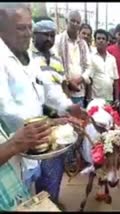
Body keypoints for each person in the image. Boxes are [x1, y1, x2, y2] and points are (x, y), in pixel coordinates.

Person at [0, 3, 84, 207]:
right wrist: (50, 123)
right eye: (21, 28)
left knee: (30, 197)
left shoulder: (28, 56)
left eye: (30, 27)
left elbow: (46, 88)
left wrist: (68, 107)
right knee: (16, 199)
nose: (28, 33)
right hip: (11, 150)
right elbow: (6, 108)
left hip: (34, 146)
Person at [31, 18, 82, 207]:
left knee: (56, 168)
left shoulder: (56, 59)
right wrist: (56, 115)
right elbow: (37, 99)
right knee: (40, 171)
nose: (49, 39)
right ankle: (42, 204)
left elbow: (60, 89)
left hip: (59, 121)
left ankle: (52, 202)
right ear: (34, 35)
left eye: (52, 35)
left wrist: (68, 111)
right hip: (39, 123)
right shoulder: (28, 59)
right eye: (45, 34)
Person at [54, 10, 91, 108]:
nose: (75, 24)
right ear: (66, 21)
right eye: (72, 21)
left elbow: (89, 67)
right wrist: (68, 82)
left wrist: (78, 80)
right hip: (62, 91)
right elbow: (55, 65)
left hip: (79, 91)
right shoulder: (58, 40)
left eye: (78, 22)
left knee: (79, 121)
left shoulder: (83, 44)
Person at [87, 29, 119, 103]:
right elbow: (89, 80)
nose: (101, 41)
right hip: (95, 99)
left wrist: (117, 99)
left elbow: (116, 80)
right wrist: (89, 99)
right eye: (98, 38)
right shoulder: (91, 57)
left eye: (103, 39)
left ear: (107, 42)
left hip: (109, 99)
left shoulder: (112, 59)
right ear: (95, 41)